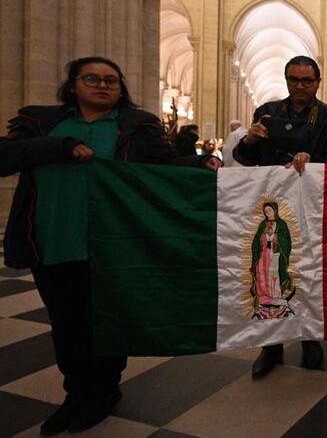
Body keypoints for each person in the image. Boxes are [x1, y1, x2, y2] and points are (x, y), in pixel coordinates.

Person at [0, 57, 217, 435]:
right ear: (73, 84)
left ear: (121, 88)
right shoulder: (41, 122)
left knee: (109, 319)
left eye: (111, 81)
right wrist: (59, 147)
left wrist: (203, 165)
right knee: (66, 323)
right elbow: (4, 157)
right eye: (92, 79)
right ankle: (76, 394)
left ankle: (103, 392)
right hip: (53, 239)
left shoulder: (137, 126)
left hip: (114, 244)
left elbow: (164, 167)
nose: (102, 86)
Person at [234, 55, 327, 378]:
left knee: (308, 273)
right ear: (286, 81)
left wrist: (312, 160)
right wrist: (250, 139)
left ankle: (311, 339)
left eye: (306, 81)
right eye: (294, 80)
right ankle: (272, 345)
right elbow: (244, 159)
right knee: (271, 275)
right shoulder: (267, 113)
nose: (300, 86)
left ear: (317, 82)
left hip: (311, 207)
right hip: (272, 207)